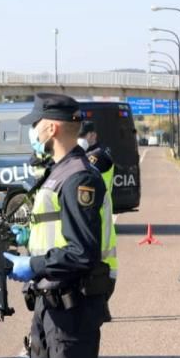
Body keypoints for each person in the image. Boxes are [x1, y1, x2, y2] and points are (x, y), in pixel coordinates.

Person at [1, 93, 114, 358]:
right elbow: (51, 233)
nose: (32, 130)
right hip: (50, 301)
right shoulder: (56, 175)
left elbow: (82, 252)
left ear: (52, 127)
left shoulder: (79, 178)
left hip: (75, 302)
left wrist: (34, 266)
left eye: (36, 124)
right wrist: (19, 244)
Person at [78, 120, 117, 322]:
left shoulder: (99, 155)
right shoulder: (82, 156)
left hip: (101, 214)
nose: (80, 140)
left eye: (83, 136)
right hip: (90, 213)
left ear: (92, 136)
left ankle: (102, 304)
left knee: (106, 264)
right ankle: (97, 305)